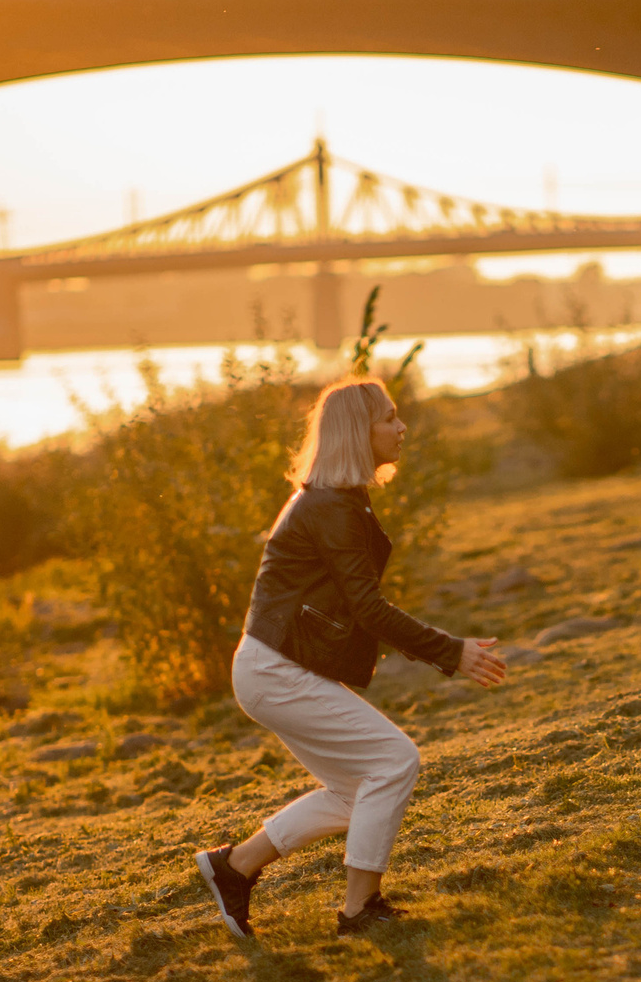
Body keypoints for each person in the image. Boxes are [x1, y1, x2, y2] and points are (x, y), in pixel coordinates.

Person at [194, 376, 508, 937]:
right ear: (357, 432)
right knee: (394, 761)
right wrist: (450, 652)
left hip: (272, 666)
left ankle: (234, 866)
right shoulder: (331, 507)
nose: (401, 426)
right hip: (275, 671)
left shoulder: (336, 499)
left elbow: (358, 603)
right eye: (389, 418)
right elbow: (368, 608)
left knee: (357, 787)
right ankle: (360, 910)